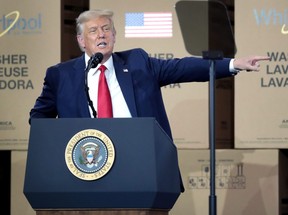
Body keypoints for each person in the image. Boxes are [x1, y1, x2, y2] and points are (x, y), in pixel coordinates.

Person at [29, 9, 269, 191]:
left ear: (114, 36)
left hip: (138, 167)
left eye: (106, 29)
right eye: (93, 30)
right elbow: (39, 119)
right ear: (81, 41)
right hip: (85, 170)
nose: (101, 34)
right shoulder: (60, 75)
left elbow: (182, 68)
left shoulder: (137, 63)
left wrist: (232, 64)